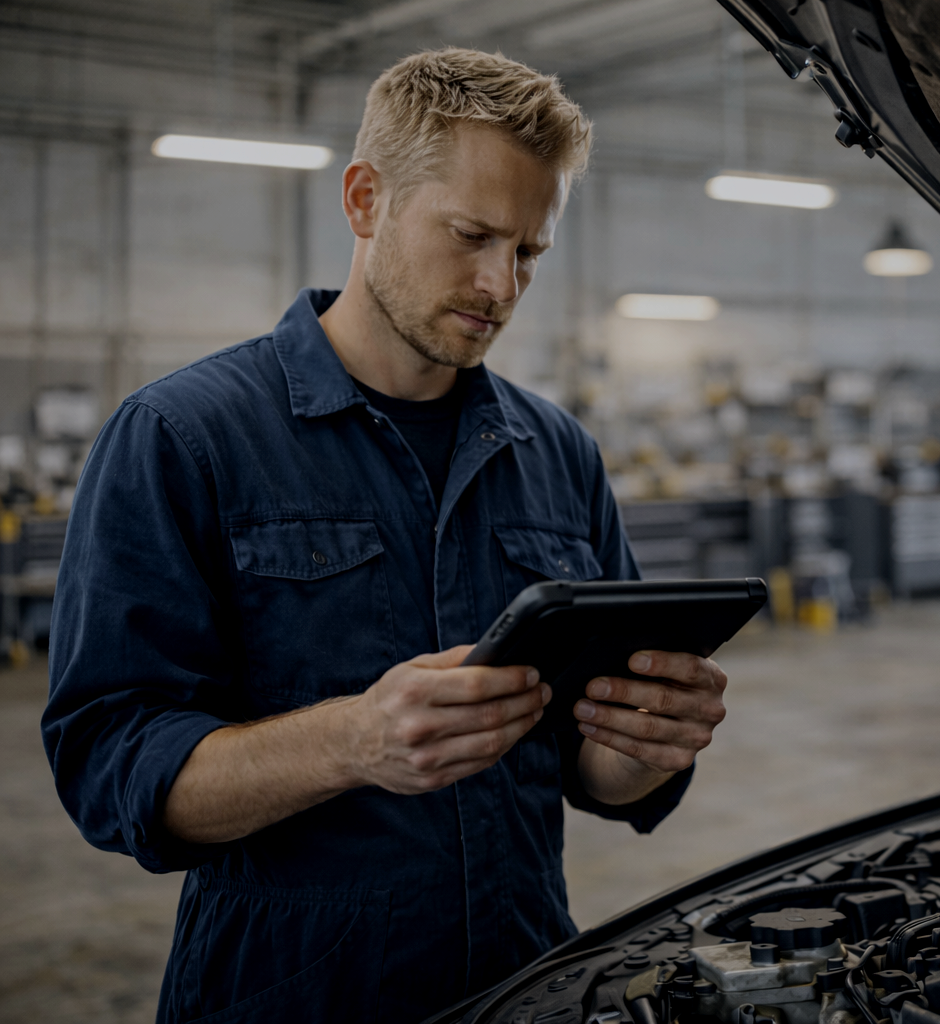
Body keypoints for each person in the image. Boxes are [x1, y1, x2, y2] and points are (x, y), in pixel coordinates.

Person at [42, 48, 729, 1024]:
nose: (501, 283)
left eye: (529, 250)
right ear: (365, 200)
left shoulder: (557, 451)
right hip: (288, 994)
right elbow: (111, 766)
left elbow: (596, 772)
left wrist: (647, 743)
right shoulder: (184, 437)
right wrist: (350, 742)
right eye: (472, 234)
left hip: (525, 978)